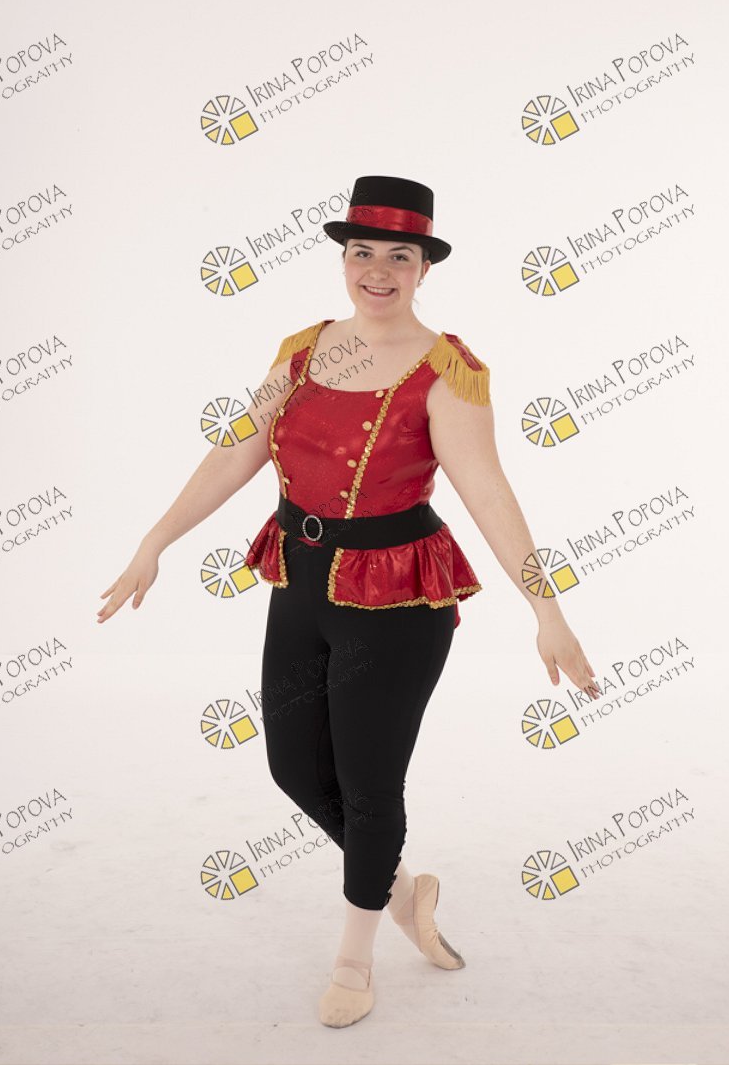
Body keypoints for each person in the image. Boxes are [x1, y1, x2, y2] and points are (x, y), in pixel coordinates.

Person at [97, 174, 600, 1030]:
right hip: (300, 580)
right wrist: (156, 540)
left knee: (370, 785)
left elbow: (488, 492)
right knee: (294, 768)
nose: (377, 271)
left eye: (399, 257)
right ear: (342, 260)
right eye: (362, 252)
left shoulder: (448, 371)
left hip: (397, 599)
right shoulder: (304, 350)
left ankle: (356, 955)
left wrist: (546, 609)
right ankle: (403, 889)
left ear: (423, 269)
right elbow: (237, 451)